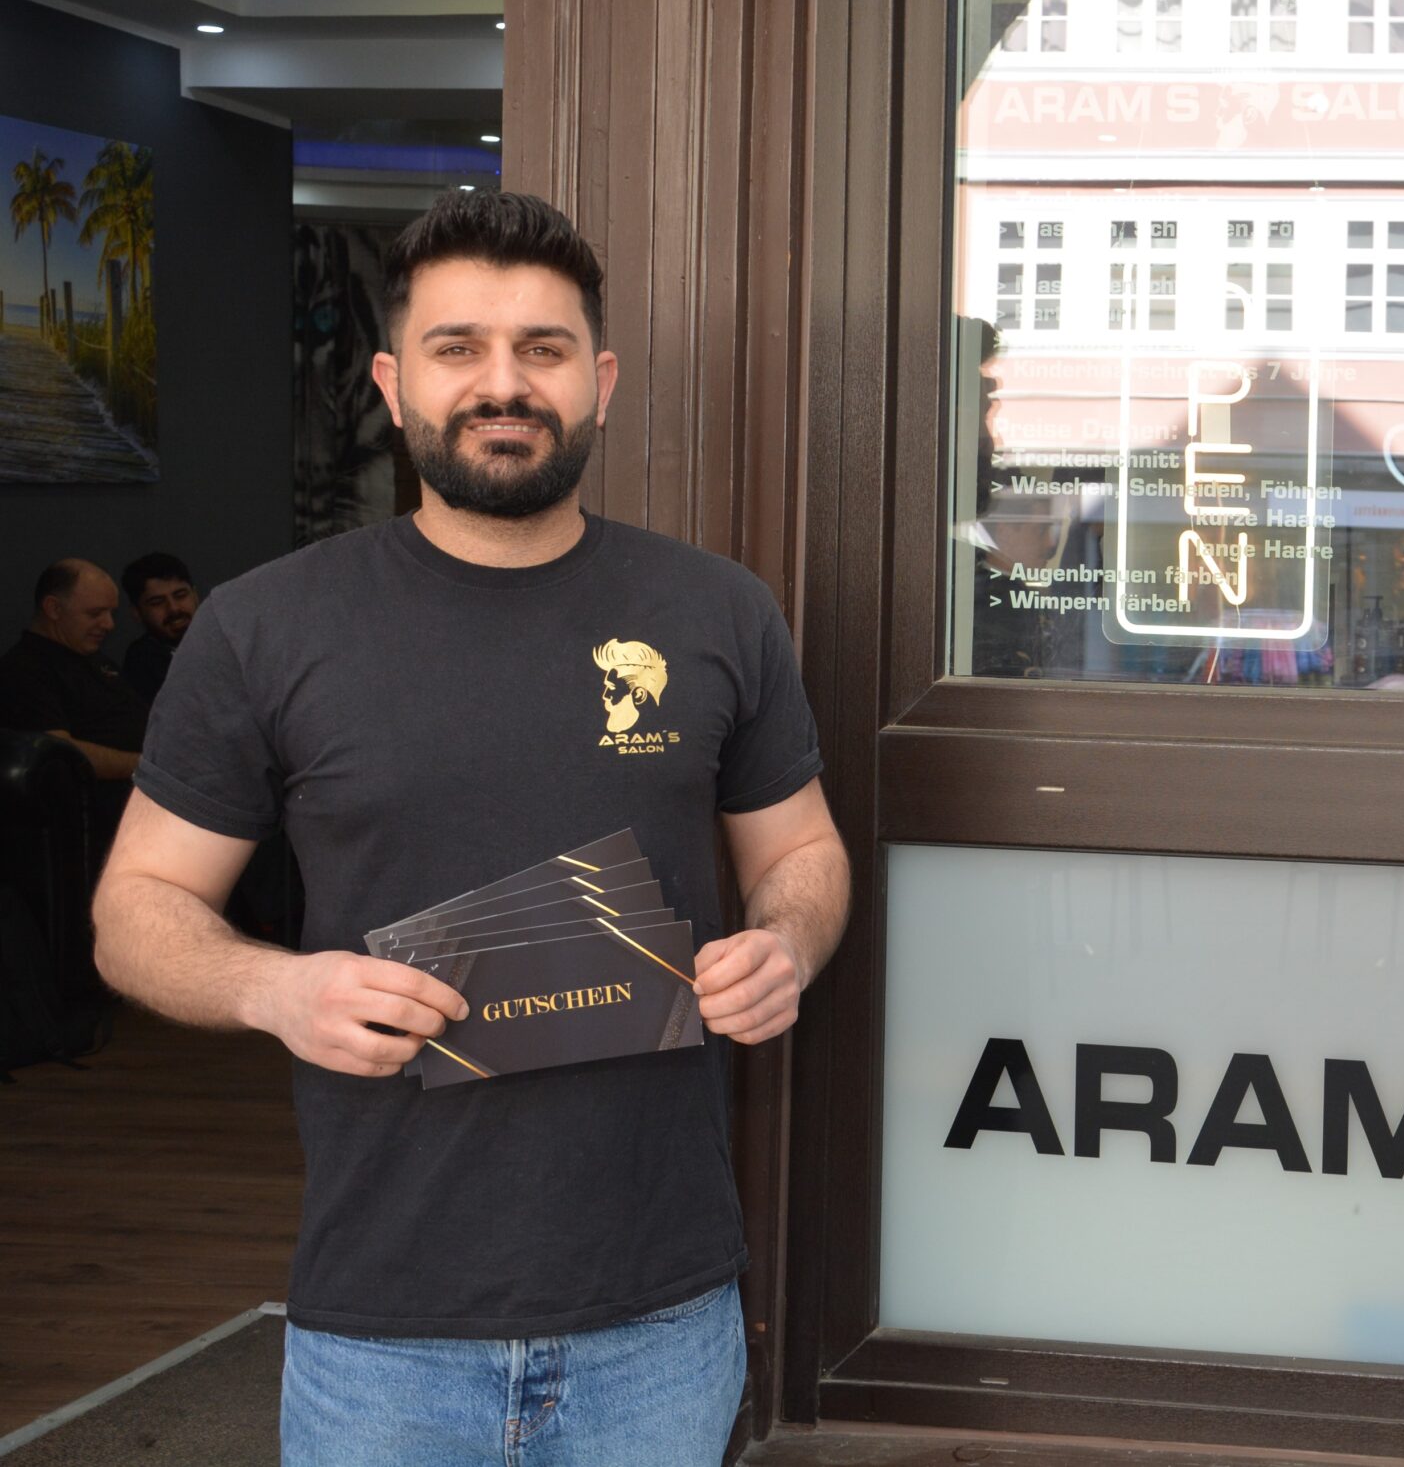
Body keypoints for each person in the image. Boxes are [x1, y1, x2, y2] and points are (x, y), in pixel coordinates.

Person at [91, 189, 851, 1467]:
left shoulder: (716, 611)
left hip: (661, 1313)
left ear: (599, 379)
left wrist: (787, 942)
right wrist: (277, 991)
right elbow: (133, 911)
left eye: (543, 350)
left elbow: (801, 853)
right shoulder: (266, 626)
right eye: (459, 349)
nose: (504, 384)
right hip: (381, 1326)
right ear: (395, 382)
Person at [0, 559, 147, 782]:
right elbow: (57, 753)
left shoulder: (98, 661)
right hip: (99, 804)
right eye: (95, 613)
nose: (109, 624)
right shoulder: (24, 669)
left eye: (111, 613)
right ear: (54, 608)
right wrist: (150, 769)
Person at [117, 551, 197, 707]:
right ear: (137, 612)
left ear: (195, 595)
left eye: (180, 595)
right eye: (157, 602)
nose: (173, 609)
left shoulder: (225, 642)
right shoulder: (142, 660)